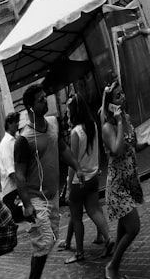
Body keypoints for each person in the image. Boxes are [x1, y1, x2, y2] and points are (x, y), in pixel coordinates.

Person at [13, 83, 79, 279]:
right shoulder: (24, 139)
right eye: (40, 99)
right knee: (44, 242)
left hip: (52, 196)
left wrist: (78, 167)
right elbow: (19, 174)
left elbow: (64, 149)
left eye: (45, 97)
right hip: (36, 198)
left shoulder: (53, 124)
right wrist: (26, 204)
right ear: (30, 107)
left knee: (47, 242)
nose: (45, 101)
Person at [101, 82, 149, 279]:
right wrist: (119, 122)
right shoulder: (107, 127)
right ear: (110, 104)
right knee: (134, 227)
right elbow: (117, 149)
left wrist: (149, 141)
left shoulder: (127, 119)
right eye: (117, 97)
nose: (122, 98)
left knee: (124, 229)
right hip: (117, 186)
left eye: (122, 94)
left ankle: (114, 268)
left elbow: (133, 145)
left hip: (130, 182)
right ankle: (111, 267)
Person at [62, 96, 112, 263]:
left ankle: (80, 252)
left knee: (76, 218)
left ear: (74, 111)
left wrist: (68, 187)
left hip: (79, 181)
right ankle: (108, 237)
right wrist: (97, 168)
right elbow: (96, 150)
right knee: (94, 210)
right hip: (93, 176)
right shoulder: (93, 126)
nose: (67, 113)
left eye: (69, 110)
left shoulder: (76, 132)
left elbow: (72, 162)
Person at [0, 112, 21, 220]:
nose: (17, 124)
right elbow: (11, 171)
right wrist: (22, 187)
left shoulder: (14, 140)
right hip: (12, 190)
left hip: (16, 188)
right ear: (9, 124)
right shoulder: (6, 143)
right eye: (16, 122)